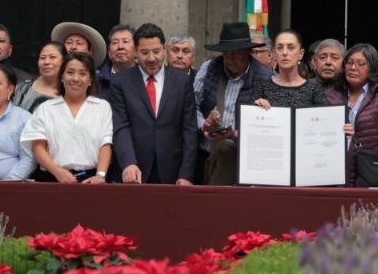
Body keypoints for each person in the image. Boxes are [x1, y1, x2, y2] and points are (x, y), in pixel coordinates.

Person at [111, 23, 197, 185]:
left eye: (156, 51)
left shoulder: (182, 82)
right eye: (144, 52)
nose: (151, 58)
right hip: (133, 170)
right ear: (135, 52)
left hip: (173, 170)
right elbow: (120, 125)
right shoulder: (120, 82)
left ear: (164, 49)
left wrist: (186, 174)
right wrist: (129, 162)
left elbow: (189, 129)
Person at [193, 22, 273, 185]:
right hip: (204, 155)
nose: (230, 59)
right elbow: (190, 106)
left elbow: (271, 128)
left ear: (248, 52)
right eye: (226, 54)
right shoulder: (210, 68)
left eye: (236, 54)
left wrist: (237, 135)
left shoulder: (267, 78)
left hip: (241, 161)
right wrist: (203, 125)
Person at [20, 52, 112, 184]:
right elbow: (38, 146)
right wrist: (58, 172)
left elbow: (106, 144)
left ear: (91, 79)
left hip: (92, 180)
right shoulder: (46, 108)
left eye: (82, 73)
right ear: (62, 77)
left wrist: (100, 175)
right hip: (52, 178)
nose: (76, 78)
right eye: (70, 72)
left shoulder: (102, 107)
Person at [327, 44, 378, 187]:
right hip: (333, 177)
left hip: (370, 179)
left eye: (361, 64)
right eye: (349, 63)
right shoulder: (331, 96)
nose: (353, 68)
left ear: (372, 68)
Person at [254, 30, 328, 109]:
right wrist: (256, 107)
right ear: (274, 53)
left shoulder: (314, 88)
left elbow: (323, 117)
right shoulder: (262, 87)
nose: (284, 52)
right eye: (280, 48)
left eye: (291, 47)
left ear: (301, 53)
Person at [13, 41, 66, 113]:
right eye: (42, 58)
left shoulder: (69, 95)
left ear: (64, 61)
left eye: (52, 57)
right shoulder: (22, 89)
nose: (46, 62)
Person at [97, 24, 136, 101]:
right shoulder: (97, 80)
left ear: (136, 51)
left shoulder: (145, 79)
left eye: (125, 41)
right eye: (115, 43)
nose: (120, 47)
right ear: (109, 52)